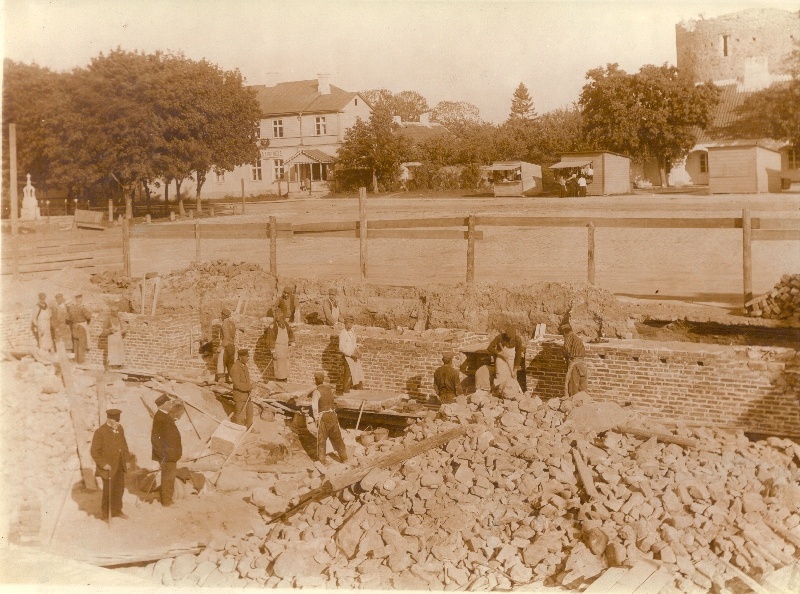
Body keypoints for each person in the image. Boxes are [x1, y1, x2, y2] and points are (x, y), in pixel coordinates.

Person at [90, 408, 130, 520]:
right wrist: (103, 465)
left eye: (118, 421)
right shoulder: (100, 432)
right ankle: (106, 514)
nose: (118, 423)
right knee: (108, 491)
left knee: (119, 489)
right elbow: (94, 451)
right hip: (108, 467)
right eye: (115, 421)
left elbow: (124, 445)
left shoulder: (119, 428)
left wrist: (127, 460)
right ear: (109, 419)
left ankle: (117, 511)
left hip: (120, 465)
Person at [309, 371, 348, 465]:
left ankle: (322, 461)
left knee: (321, 439)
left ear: (315, 380)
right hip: (333, 415)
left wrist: (316, 419)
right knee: (337, 438)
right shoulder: (329, 389)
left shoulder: (316, 391)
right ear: (323, 379)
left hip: (324, 417)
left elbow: (314, 407)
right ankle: (344, 458)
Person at [151, 394, 182, 507]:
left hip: (170, 454)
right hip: (166, 455)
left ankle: (168, 499)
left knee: (169, 477)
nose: (170, 405)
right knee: (168, 478)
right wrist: (162, 454)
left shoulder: (164, 416)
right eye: (168, 403)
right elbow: (155, 439)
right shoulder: (160, 417)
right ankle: (167, 502)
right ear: (163, 405)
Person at [487, 326, 526, 398]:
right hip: (500, 360)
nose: (510, 339)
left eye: (512, 338)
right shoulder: (500, 337)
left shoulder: (518, 340)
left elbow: (518, 355)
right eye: (509, 338)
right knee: (500, 378)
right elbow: (490, 348)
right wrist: (500, 354)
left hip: (511, 360)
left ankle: (511, 395)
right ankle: (498, 395)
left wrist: (515, 369)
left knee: (511, 377)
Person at [265, 310, 295, 382]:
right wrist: (273, 351)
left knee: (285, 369)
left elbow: (290, 334)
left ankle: (285, 382)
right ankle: (279, 384)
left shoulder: (285, 324)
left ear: (282, 314)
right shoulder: (272, 326)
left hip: (285, 348)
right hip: (277, 348)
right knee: (278, 369)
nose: (277, 316)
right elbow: (270, 339)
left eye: (278, 314)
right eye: (275, 314)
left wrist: (292, 346)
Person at [561, 323, 588, 397]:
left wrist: (564, 355)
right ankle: (583, 401)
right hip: (582, 363)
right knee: (582, 385)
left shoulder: (569, 337)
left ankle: (573, 402)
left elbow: (567, 349)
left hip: (575, 364)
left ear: (564, 332)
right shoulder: (576, 338)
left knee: (573, 386)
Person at [338, 316, 364, 393]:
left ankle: (357, 389)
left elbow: (353, 343)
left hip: (353, 355)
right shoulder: (343, 334)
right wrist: (350, 354)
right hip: (347, 356)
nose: (349, 325)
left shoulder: (352, 331)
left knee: (357, 372)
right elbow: (341, 348)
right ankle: (345, 390)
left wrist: (357, 350)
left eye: (351, 323)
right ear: (345, 324)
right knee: (348, 374)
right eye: (347, 323)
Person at [229, 349, 253, 427]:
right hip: (239, 396)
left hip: (247, 395)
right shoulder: (235, 367)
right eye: (246, 357)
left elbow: (246, 380)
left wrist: (251, 386)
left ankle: (249, 427)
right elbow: (237, 384)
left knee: (250, 411)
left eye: (248, 357)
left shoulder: (244, 366)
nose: (247, 359)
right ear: (240, 357)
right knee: (240, 415)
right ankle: (240, 430)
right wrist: (250, 386)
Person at [67, 294, 92, 364]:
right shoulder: (82, 308)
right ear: (80, 299)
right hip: (81, 326)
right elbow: (88, 317)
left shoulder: (71, 308)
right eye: (80, 299)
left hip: (74, 326)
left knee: (75, 343)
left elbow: (68, 318)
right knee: (82, 344)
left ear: (75, 299)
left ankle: (75, 360)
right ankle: (81, 361)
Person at [216, 307, 236, 383]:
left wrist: (221, 347)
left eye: (222, 315)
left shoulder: (225, 324)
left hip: (226, 346)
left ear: (224, 315)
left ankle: (221, 381)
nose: (221, 316)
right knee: (230, 363)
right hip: (232, 346)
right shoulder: (232, 323)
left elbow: (226, 338)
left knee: (221, 362)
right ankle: (233, 380)